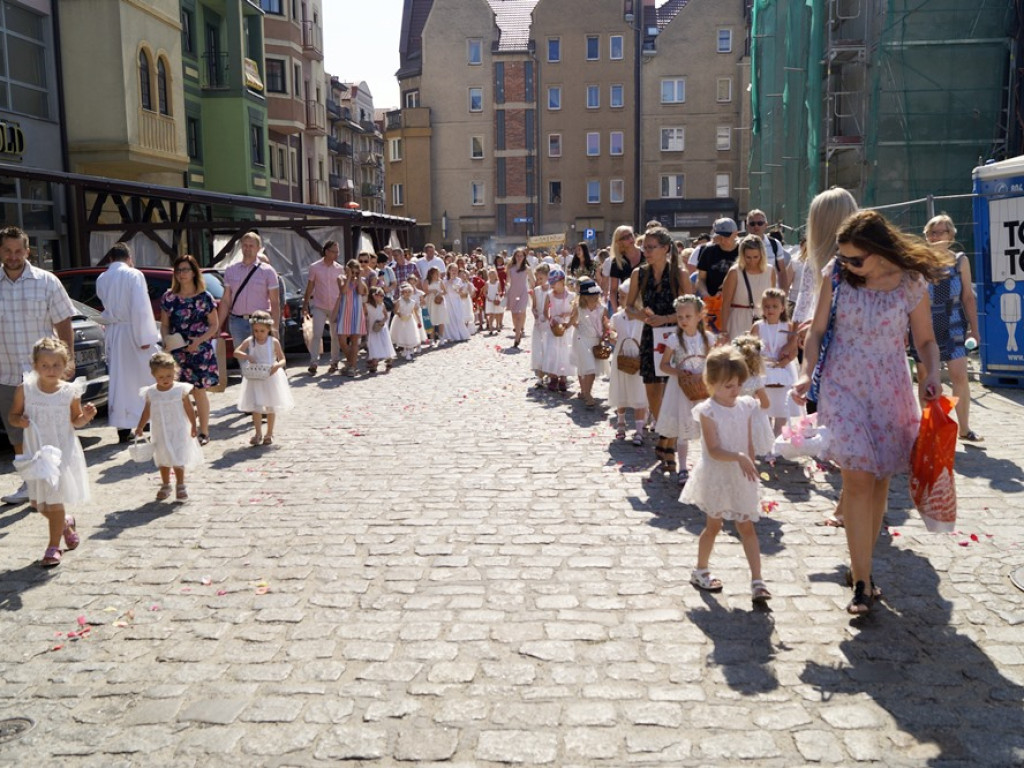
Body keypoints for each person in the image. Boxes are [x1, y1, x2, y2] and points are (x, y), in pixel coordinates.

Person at [793, 210, 949, 615]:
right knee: (859, 477)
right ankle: (862, 582)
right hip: (842, 386)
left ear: (879, 252)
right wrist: (806, 372)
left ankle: (862, 564)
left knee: (879, 481)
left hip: (889, 387)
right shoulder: (838, 274)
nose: (847, 264)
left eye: (855, 259)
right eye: (843, 257)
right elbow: (818, 330)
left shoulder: (910, 282)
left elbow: (927, 341)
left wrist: (931, 374)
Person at [680, 345, 770, 602]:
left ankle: (757, 581)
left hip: (741, 476)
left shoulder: (746, 406)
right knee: (714, 525)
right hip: (717, 475)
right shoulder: (708, 411)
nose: (735, 391)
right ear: (712, 384)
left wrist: (749, 463)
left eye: (737, 384)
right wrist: (738, 457)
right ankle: (701, 569)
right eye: (728, 386)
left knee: (747, 526)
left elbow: (749, 442)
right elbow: (714, 449)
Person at [0, 226, 76, 506]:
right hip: (6, 372)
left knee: (50, 428)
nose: (13, 256)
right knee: (17, 431)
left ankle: (54, 479)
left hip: (45, 374)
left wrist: (67, 362)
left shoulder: (47, 281)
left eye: (18, 250)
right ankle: (29, 484)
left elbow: (63, 323)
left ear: (27, 252)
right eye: (7, 250)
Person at [8, 338, 95, 567]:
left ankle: (53, 547)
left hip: (62, 452)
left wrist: (85, 417)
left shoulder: (70, 392)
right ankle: (65, 523)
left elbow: (75, 420)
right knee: (39, 505)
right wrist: (21, 421)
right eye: (45, 365)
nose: (50, 370)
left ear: (65, 365)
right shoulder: (25, 390)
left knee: (54, 502)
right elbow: (12, 416)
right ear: (35, 365)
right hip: (36, 453)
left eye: (56, 365)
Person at [624, 226, 691, 463]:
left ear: (665, 249)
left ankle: (669, 439)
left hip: (675, 336)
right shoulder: (638, 274)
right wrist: (641, 315)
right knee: (652, 387)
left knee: (674, 387)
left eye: (651, 247)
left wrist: (666, 318)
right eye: (645, 247)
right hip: (651, 335)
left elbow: (692, 309)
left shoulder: (679, 275)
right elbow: (628, 307)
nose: (646, 251)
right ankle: (665, 431)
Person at [914, 214, 982, 442]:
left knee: (959, 375)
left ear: (951, 235)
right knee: (925, 376)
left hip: (953, 323)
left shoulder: (960, 260)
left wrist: (975, 329)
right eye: (932, 232)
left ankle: (964, 428)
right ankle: (930, 427)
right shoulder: (919, 261)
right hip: (925, 325)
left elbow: (968, 298)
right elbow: (910, 297)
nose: (936, 237)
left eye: (941, 232)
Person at [96, 242, 161, 444]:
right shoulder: (134, 275)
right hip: (134, 331)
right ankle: (147, 420)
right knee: (143, 377)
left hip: (115, 332)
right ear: (129, 258)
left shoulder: (102, 277)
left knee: (120, 379)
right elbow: (141, 307)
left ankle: (123, 426)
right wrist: (146, 337)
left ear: (110, 259)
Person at [160, 254, 219, 446]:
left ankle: (204, 431)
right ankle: (185, 430)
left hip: (200, 349)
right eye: (178, 270)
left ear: (194, 272)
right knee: (179, 393)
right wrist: (166, 342)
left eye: (185, 269)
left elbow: (214, 325)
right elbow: (165, 325)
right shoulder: (169, 297)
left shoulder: (204, 297)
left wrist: (199, 340)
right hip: (177, 350)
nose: (181, 274)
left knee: (199, 391)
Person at [656, 295, 715, 485]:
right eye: (680, 317)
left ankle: (708, 465)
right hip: (682, 389)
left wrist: (708, 375)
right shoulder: (674, 340)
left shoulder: (708, 338)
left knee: (707, 427)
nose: (683, 321)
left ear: (699, 316)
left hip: (703, 388)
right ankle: (682, 467)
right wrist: (678, 372)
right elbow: (664, 365)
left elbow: (714, 362)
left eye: (688, 316)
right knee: (684, 426)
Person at [135, 352, 203, 502]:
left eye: (169, 376)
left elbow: (189, 408)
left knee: (178, 456)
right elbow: (147, 411)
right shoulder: (151, 392)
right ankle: (165, 484)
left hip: (178, 428)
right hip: (160, 430)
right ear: (153, 375)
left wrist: (193, 424)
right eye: (161, 377)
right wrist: (140, 427)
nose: (165, 380)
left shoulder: (180, 389)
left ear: (175, 373)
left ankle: (180, 484)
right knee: (163, 457)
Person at [234, 312, 293, 445]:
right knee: (257, 406)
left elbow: (282, 359)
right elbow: (236, 351)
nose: (259, 334)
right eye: (256, 331)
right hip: (255, 378)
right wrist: (247, 356)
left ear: (268, 329)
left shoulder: (273, 342)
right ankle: (258, 433)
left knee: (271, 406)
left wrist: (277, 365)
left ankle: (269, 433)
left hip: (271, 377)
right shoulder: (250, 341)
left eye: (262, 331)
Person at [219, 231, 281, 348]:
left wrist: (275, 327)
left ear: (258, 248)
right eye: (245, 245)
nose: (247, 249)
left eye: (251, 246)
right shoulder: (231, 270)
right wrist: (218, 326)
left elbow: (274, 302)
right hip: (237, 322)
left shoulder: (268, 271)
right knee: (243, 361)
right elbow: (226, 300)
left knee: (261, 361)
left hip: (261, 323)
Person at [752, 287, 800, 434]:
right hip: (764, 369)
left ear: (782, 308)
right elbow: (752, 350)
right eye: (766, 306)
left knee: (781, 406)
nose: (770, 310)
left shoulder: (788, 326)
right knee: (766, 405)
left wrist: (781, 364)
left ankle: (778, 437)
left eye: (774, 306)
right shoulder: (758, 326)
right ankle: (767, 441)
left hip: (784, 368)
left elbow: (794, 351)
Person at [608, 281, 648, 445]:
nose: (620, 298)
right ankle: (621, 425)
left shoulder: (643, 318)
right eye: (620, 296)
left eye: (624, 296)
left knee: (639, 391)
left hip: (639, 357)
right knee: (621, 390)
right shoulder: (617, 317)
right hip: (622, 356)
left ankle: (638, 430)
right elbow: (613, 334)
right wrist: (611, 335)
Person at [719, 235, 776, 342]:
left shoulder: (770, 271)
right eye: (748, 257)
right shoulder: (734, 272)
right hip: (738, 321)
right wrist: (723, 331)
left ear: (762, 255)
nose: (752, 261)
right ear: (742, 255)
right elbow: (725, 303)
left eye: (756, 257)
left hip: (762, 322)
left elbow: (773, 300)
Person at [302, 240, 344, 375]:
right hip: (319, 305)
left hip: (335, 306)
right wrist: (305, 304)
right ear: (326, 251)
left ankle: (334, 361)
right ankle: (313, 362)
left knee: (335, 335)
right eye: (334, 251)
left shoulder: (340, 268)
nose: (336, 254)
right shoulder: (315, 267)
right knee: (317, 334)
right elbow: (310, 286)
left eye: (337, 252)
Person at [731, 335, 775, 457]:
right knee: (750, 446)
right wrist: (757, 404)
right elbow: (766, 403)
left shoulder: (730, 378)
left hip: (732, 414)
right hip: (750, 416)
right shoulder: (756, 380)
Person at [570, 278, 611, 408]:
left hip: (595, 341)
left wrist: (606, 334)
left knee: (589, 368)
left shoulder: (602, 308)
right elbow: (573, 320)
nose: (594, 298)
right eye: (591, 296)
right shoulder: (579, 308)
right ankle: (587, 394)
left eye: (596, 295)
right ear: (584, 297)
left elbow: (606, 324)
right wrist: (573, 326)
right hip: (582, 339)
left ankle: (584, 391)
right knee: (588, 368)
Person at [696, 218, 741, 332]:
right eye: (720, 236)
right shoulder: (708, 251)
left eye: (727, 236)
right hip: (713, 305)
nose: (723, 240)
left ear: (736, 233)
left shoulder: (742, 250)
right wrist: (705, 295)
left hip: (737, 304)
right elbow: (700, 278)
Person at [333, 258, 369, 376]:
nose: (354, 274)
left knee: (354, 342)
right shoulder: (341, 278)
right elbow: (343, 291)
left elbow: (360, 291)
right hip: (344, 312)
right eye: (352, 271)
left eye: (356, 272)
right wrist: (348, 277)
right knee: (342, 341)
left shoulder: (360, 281)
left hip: (357, 313)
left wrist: (358, 278)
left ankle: (352, 367)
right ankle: (351, 363)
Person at [543, 268, 575, 392]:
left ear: (562, 281)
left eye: (554, 283)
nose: (552, 286)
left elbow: (574, 311)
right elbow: (546, 311)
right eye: (551, 284)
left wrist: (566, 314)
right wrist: (550, 320)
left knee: (565, 352)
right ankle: (553, 377)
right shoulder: (549, 295)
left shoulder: (571, 296)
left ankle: (563, 377)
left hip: (566, 327)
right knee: (552, 351)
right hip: (553, 327)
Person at [745, 209, 790, 294]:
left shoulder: (775, 244)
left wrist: (784, 295)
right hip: (747, 293)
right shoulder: (741, 246)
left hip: (770, 295)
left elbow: (782, 272)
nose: (756, 226)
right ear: (747, 226)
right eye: (752, 224)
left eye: (760, 223)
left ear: (766, 225)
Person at [607, 225, 643, 312]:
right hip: (627, 305)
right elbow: (613, 291)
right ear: (619, 242)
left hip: (645, 303)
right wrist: (616, 311)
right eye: (625, 237)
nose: (630, 238)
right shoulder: (618, 262)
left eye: (630, 235)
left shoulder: (646, 255)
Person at [364, 287, 397, 373]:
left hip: (382, 328)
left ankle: (389, 359)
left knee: (385, 343)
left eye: (383, 295)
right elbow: (364, 316)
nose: (382, 297)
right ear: (374, 296)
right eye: (381, 295)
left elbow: (386, 316)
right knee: (373, 345)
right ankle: (375, 363)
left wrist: (381, 322)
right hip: (372, 329)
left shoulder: (382, 305)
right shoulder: (367, 306)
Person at [530, 263, 552, 387]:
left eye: (541, 278)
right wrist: (536, 315)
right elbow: (533, 307)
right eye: (537, 278)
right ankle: (539, 376)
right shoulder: (536, 291)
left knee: (548, 348)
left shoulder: (552, 290)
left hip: (548, 322)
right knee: (538, 348)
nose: (538, 281)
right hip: (538, 323)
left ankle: (549, 373)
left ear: (547, 276)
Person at [506, 248, 532, 348]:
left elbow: (532, 280)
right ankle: (518, 329)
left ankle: (517, 337)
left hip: (523, 293)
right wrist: (506, 289)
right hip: (513, 292)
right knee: (514, 314)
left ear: (524, 257)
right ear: (514, 257)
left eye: (521, 256)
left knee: (521, 313)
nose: (519, 258)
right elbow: (507, 280)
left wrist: (536, 289)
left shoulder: (527, 268)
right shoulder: (510, 267)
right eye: (518, 256)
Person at [390, 283, 423, 361]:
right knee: (402, 334)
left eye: (409, 292)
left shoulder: (413, 302)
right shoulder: (399, 301)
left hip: (409, 320)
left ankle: (408, 351)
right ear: (402, 293)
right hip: (400, 320)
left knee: (409, 335)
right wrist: (399, 314)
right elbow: (395, 310)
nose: (407, 294)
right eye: (406, 292)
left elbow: (414, 312)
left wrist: (418, 321)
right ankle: (405, 349)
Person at [442, 263, 471, 342]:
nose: (454, 272)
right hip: (448, 300)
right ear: (449, 271)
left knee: (458, 317)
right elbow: (443, 290)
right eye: (452, 270)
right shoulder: (445, 280)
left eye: (456, 270)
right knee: (450, 318)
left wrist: (459, 291)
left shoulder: (459, 280)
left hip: (456, 300)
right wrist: (449, 281)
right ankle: (451, 336)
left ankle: (461, 334)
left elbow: (461, 291)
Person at [424, 266, 449, 344]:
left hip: (439, 301)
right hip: (430, 301)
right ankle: (432, 338)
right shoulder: (427, 281)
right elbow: (425, 291)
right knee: (432, 319)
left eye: (437, 273)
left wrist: (439, 293)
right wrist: (432, 291)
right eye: (435, 273)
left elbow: (445, 291)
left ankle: (441, 337)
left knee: (441, 319)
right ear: (431, 274)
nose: (436, 275)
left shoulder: (440, 281)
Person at [484, 268, 505, 335]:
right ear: (488, 275)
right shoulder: (487, 283)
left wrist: (498, 295)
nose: (492, 276)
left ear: (496, 275)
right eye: (490, 274)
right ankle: (490, 327)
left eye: (493, 274)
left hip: (496, 299)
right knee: (491, 314)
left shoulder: (498, 283)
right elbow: (485, 292)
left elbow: (500, 291)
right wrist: (488, 298)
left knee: (497, 313)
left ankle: (498, 325)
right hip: (490, 300)